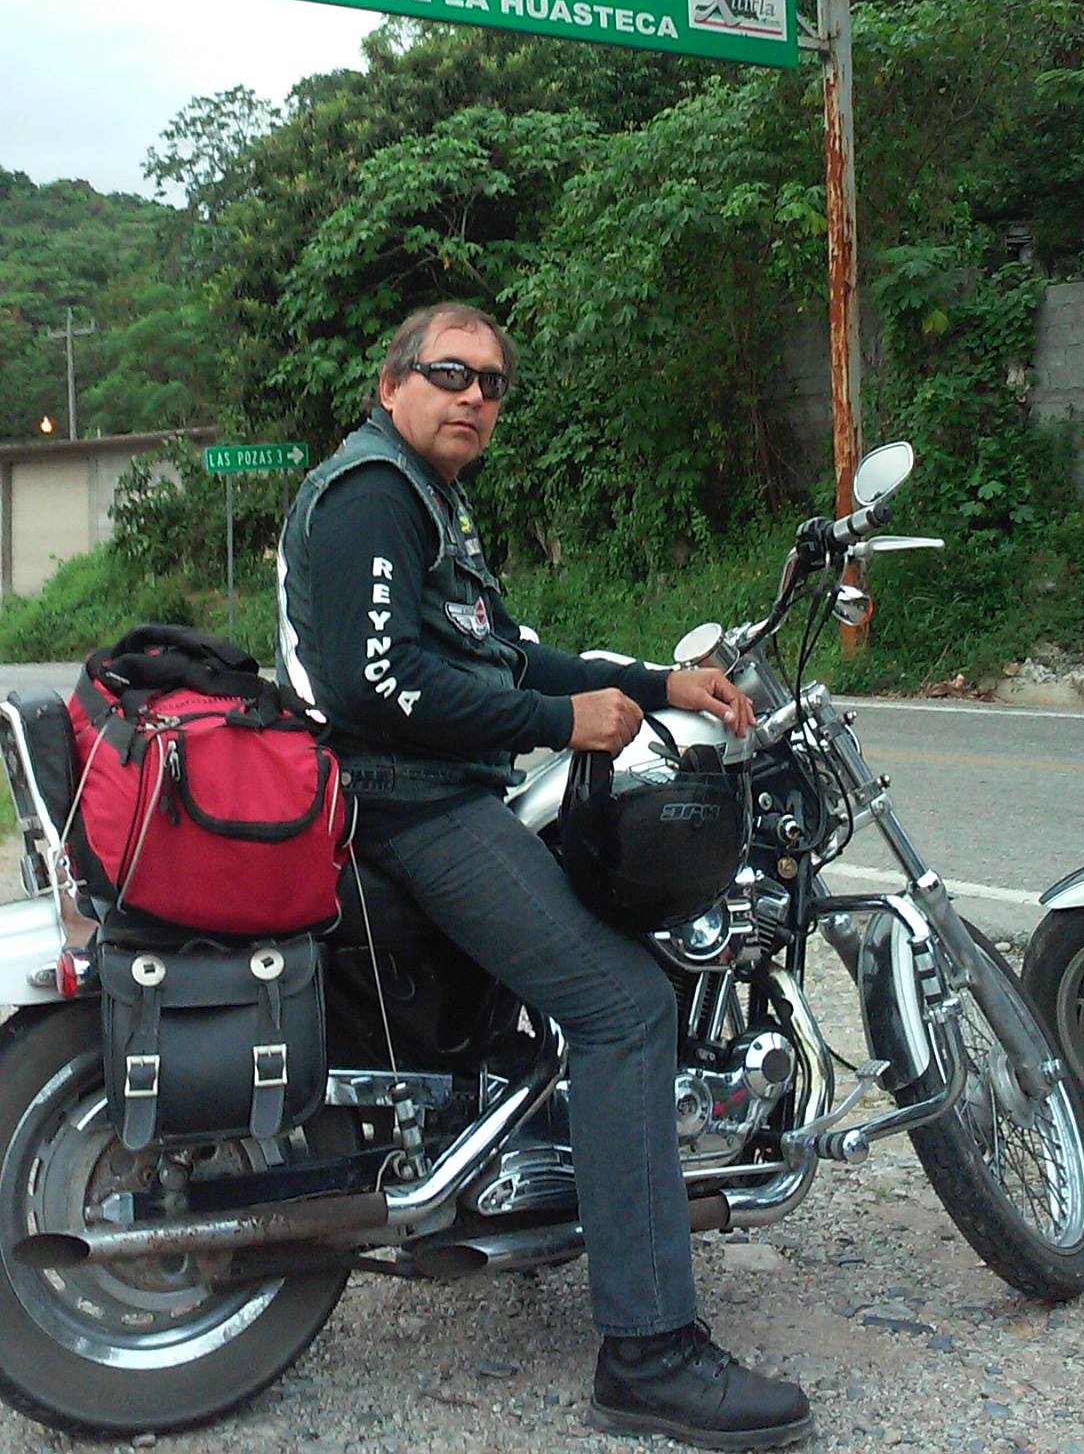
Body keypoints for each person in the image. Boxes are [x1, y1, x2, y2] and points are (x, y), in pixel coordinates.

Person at [277, 301, 812, 1450]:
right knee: (625, 1005)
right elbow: (378, 686)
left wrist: (661, 684)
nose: (474, 395)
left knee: (585, 955)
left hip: (432, 794)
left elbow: (505, 652)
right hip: (410, 807)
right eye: (450, 372)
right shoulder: (372, 492)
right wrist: (559, 721)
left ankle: (557, 1179)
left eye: (494, 384)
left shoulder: (428, 500)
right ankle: (651, 1350)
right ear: (392, 380)